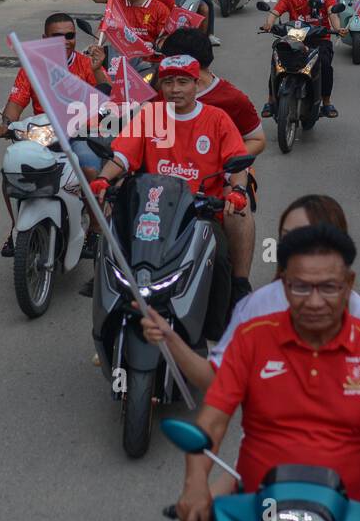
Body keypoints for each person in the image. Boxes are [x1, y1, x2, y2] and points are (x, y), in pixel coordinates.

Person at [142, 197, 360, 521]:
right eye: (285, 237)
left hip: (354, 466)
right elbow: (216, 381)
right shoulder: (255, 308)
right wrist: (170, 340)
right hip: (267, 466)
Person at [90, 54, 249, 333]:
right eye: (169, 82)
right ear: (161, 86)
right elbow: (122, 156)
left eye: (183, 82)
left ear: (196, 85)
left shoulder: (217, 119)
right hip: (150, 211)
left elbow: (236, 161)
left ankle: (214, 332)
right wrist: (103, 178)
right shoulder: (150, 116)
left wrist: (236, 189)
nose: (175, 89)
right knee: (116, 254)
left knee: (219, 259)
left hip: (199, 214)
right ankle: (114, 326)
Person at [161, 28, 265, 301]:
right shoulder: (160, 93)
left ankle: (240, 283)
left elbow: (257, 140)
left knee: (238, 210)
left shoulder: (232, 99)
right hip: (167, 174)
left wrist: (226, 163)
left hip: (221, 176)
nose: (173, 87)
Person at [0, 13, 108, 257]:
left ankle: (95, 229)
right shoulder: (32, 68)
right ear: (45, 38)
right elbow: (15, 103)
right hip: (43, 135)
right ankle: (16, 227)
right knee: (10, 170)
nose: (65, 41)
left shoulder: (87, 64)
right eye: (57, 36)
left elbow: (108, 100)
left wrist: (98, 71)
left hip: (81, 134)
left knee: (88, 171)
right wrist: (6, 124)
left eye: (70, 36)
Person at [258, 0, 341, 119]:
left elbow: (333, 13)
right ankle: (271, 101)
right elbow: (275, 11)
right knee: (277, 60)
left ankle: (326, 102)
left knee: (325, 65)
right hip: (295, 39)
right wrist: (268, 23)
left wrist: (338, 28)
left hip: (320, 39)